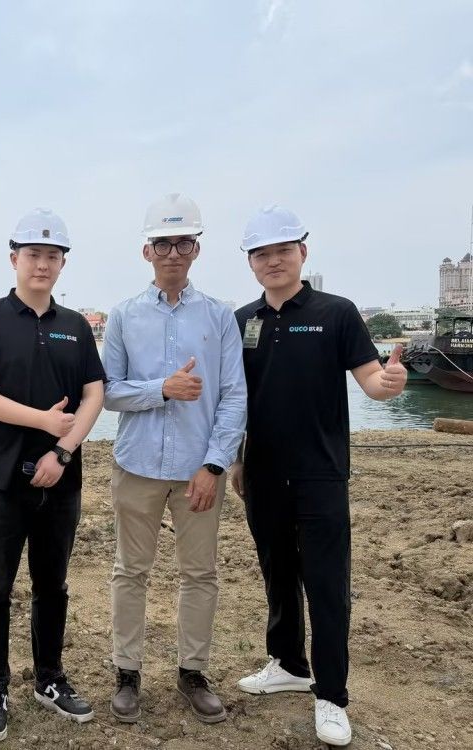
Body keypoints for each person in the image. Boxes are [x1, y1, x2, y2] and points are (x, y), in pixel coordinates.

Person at [231, 205, 406, 747]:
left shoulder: (337, 312)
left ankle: (331, 694)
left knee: (327, 584)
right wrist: (236, 460)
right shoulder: (242, 320)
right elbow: (237, 399)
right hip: (260, 473)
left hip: (321, 472)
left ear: (302, 253)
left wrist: (390, 382)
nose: (273, 261)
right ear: (251, 263)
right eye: (262, 254)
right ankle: (289, 663)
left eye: (283, 250)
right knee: (277, 573)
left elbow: (372, 381)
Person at [0, 208, 106, 743]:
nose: (43, 264)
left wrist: (62, 450)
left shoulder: (75, 327)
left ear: (63, 264)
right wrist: (42, 419)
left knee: (52, 584)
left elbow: (94, 393)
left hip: (60, 477)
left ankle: (49, 678)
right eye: (34, 254)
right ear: (14, 258)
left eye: (53, 256)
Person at [103, 193, 247, 725]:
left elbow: (234, 395)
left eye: (182, 242)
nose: (172, 252)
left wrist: (214, 464)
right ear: (147, 251)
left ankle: (193, 672)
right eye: (162, 243)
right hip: (136, 464)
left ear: (196, 248)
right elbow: (109, 392)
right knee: (129, 571)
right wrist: (161, 389)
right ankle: (127, 673)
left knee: (199, 573)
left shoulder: (219, 317)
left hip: (196, 471)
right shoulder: (122, 316)